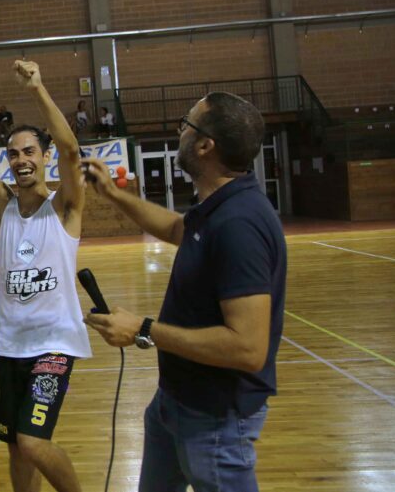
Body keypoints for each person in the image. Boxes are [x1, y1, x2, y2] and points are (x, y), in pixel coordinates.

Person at [84, 91, 286, 492]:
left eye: (186, 124)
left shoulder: (238, 225)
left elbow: (247, 348)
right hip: (174, 402)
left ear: (205, 145)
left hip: (215, 419)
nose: (180, 132)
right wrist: (113, 194)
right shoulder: (216, 209)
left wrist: (143, 328)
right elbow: (178, 228)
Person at [0, 58, 89, 492]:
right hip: (9, 346)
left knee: (32, 441)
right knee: (15, 445)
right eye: (13, 153)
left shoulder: (65, 208)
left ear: (44, 156)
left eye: (30, 151)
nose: (21, 159)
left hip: (53, 345)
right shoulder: (2, 207)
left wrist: (37, 88)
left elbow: (72, 151)